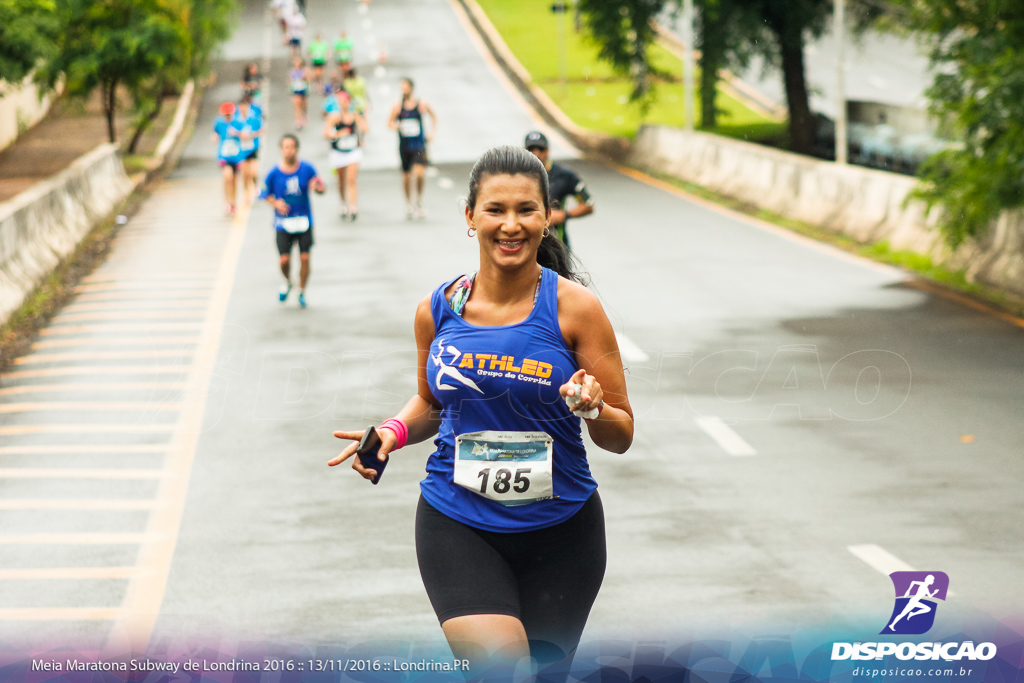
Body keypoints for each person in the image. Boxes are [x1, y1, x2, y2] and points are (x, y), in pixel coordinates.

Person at [328, 146, 633, 678]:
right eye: (495, 209)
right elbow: (430, 400)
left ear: (547, 216)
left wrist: (594, 407)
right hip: (457, 523)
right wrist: (392, 432)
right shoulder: (437, 308)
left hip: (562, 532)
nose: (510, 225)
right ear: (470, 216)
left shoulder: (575, 308)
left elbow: (621, 433)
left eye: (525, 210)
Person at [260, 134, 325, 308]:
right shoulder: (274, 173)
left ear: (297, 149)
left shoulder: (307, 169)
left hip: (304, 221)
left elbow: (319, 186)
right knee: (284, 260)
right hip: (283, 223)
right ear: (281, 150)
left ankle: (302, 291)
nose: (289, 151)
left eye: (292, 147)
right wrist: (275, 203)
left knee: (305, 257)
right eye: (286, 147)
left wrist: (318, 188)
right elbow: (263, 193)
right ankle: (288, 281)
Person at [524, 131, 594, 251]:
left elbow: (588, 205)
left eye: (540, 149)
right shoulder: (516, 176)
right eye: (531, 149)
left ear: (548, 151)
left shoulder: (564, 175)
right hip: (526, 246)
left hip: (556, 246)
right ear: (524, 150)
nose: (536, 154)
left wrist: (563, 215)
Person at [387, 78, 436, 220]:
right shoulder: (397, 106)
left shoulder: (421, 104)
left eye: (405, 88)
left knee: (420, 173)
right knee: (407, 175)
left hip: (419, 145)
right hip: (404, 146)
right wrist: (395, 126)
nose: (403, 90)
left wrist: (432, 132)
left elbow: (434, 116)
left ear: (412, 88)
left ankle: (419, 200)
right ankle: (409, 203)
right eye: (401, 88)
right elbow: (389, 123)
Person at [324, 94, 368, 220]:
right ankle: (343, 202)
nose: (343, 104)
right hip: (338, 152)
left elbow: (365, 127)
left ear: (349, 102)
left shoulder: (355, 116)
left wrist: (361, 135)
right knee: (341, 179)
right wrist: (338, 134)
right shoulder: (335, 117)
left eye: (345, 101)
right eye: (340, 102)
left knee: (351, 179)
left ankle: (353, 206)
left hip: (353, 151)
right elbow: (326, 132)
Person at [212, 102, 246, 216]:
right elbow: (215, 133)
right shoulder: (218, 123)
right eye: (225, 114)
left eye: (229, 114)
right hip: (224, 155)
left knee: (234, 180)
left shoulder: (238, 122)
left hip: (236, 157)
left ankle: (233, 203)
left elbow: (245, 136)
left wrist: (236, 133)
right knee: (227, 177)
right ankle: (227, 202)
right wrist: (214, 137)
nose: (227, 116)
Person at [235, 95, 263, 201]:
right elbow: (230, 130)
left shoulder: (253, 118)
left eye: (245, 106)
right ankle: (246, 192)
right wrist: (239, 134)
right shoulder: (236, 119)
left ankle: (255, 187)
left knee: (254, 172)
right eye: (242, 106)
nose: (243, 108)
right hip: (241, 150)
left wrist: (252, 135)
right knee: (245, 174)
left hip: (253, 148)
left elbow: (261, 129)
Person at [289, 56, 310, 130]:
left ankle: (304, 115)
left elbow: (309, 79)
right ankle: (298, 121)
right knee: (297, 106)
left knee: (303, 105)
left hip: (303, 89)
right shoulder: (292, 71)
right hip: (296, 90)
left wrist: (304, 78)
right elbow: (290, 81)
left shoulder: (305, 70)